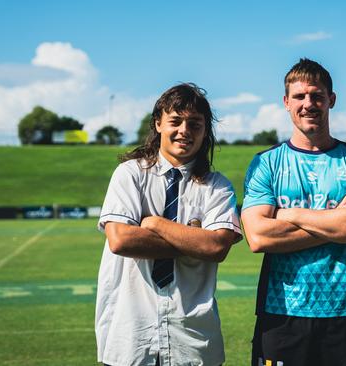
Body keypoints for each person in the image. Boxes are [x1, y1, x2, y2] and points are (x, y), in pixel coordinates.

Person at [241, 58, 346, 366]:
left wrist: (289, 214)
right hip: (281, 312)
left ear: (331, 99)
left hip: (345, 310)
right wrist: (337, 223)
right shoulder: (266, 163)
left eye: (317, 95)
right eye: (300, 96)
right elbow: (257, 237)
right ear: (286, 102)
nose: (309, 104)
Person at [95, 83, 242, 366]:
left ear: (205, 130)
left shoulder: (217, 186)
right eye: (175, 121)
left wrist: (154, 223)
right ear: (158, 124)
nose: (184, 130)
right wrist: (192, 238)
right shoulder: (130, 174)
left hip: (193, 338)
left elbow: (215, 247)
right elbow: (121, 240)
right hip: (132, 337)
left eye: (195, 123)